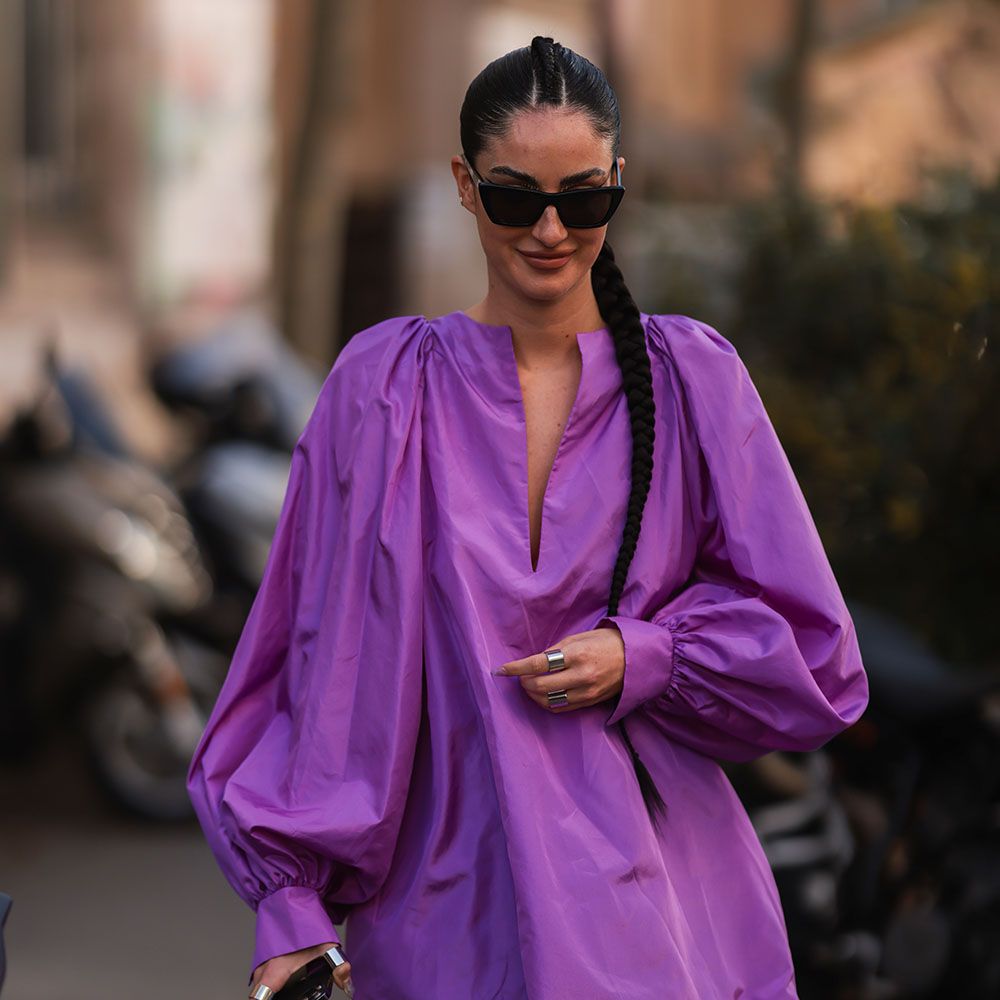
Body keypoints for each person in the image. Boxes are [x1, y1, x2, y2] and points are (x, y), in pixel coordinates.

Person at [186, 36, 869, 1000]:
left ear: (618, 184)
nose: (550, 230)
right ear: (465, 186)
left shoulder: (693, 381)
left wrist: (646, 656)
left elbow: (816, 652)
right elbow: (312, 665)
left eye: (584, 198)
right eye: (517, 197)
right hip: (443, 911)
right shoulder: (381, 390)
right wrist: (289, 907)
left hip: (662, 905)